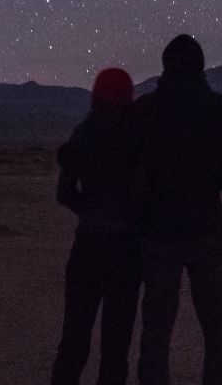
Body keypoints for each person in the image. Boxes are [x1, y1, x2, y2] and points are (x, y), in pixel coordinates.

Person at [132, 34, 222, 385]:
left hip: (158, 233)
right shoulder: (221, 108)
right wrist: (212, 181)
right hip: (206, 229)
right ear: (201, 66)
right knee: (216, 322)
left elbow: (129, 167)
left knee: (157, 324)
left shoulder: (144, 110)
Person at [51, 67, 141, 385]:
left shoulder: (82, 134)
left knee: (74, 338)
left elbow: (64, 192)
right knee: (116, 347)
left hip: (88, 245)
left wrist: (89, 209)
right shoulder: (136, 136)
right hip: (126, 250)